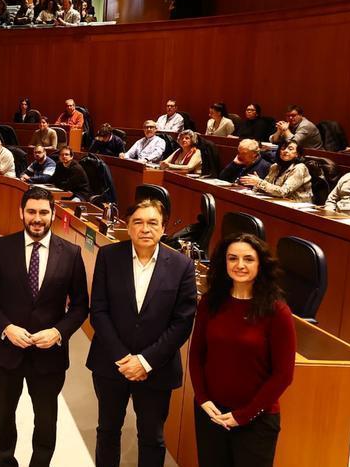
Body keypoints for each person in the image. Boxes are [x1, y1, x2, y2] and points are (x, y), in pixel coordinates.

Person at [0, 187, 89, 467]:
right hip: (6, 353)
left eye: (43, 212)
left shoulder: (72, 253)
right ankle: (3, 462)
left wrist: (58, 333)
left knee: (45, 421)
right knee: (3, 417)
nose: (37, 218)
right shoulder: (2, 248)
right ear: (21, 213)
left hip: (49, 356)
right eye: (31, 212)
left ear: (53, 214)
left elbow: (80, 307)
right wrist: (6, 328)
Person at [88, 199, 197, 467]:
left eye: (152, 223)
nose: (145, 228)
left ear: (163, 228)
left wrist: (144, 361)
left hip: (156, 368)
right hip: (112, 364)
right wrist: (124, 358)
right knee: (107, 432)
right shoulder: (108, 256)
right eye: (138, 222)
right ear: (128, 226)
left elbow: (182, 322)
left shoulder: (182, 265)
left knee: (152, 438)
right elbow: (98, 311)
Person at [190, 234, 295, 467]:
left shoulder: (277, 311)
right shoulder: (210, 302)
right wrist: (202, 398)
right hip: (212, 413)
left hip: (256, 419)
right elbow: (197, 354)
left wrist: (243, 415)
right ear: (224, 263)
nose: (239, 265)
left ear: (260, 264)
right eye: (232, 258)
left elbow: (283, 375)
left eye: (248, 259)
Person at [240, 140, 312, 202]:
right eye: (283, 148)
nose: (285, 151)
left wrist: (259, 182)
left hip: (298, 205)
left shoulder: (299, 168)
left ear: (297, 154)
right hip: (279, 202)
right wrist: (255, 185)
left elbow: (283, 192)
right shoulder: (275, 166)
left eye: (290, 149)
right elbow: (266, 187)